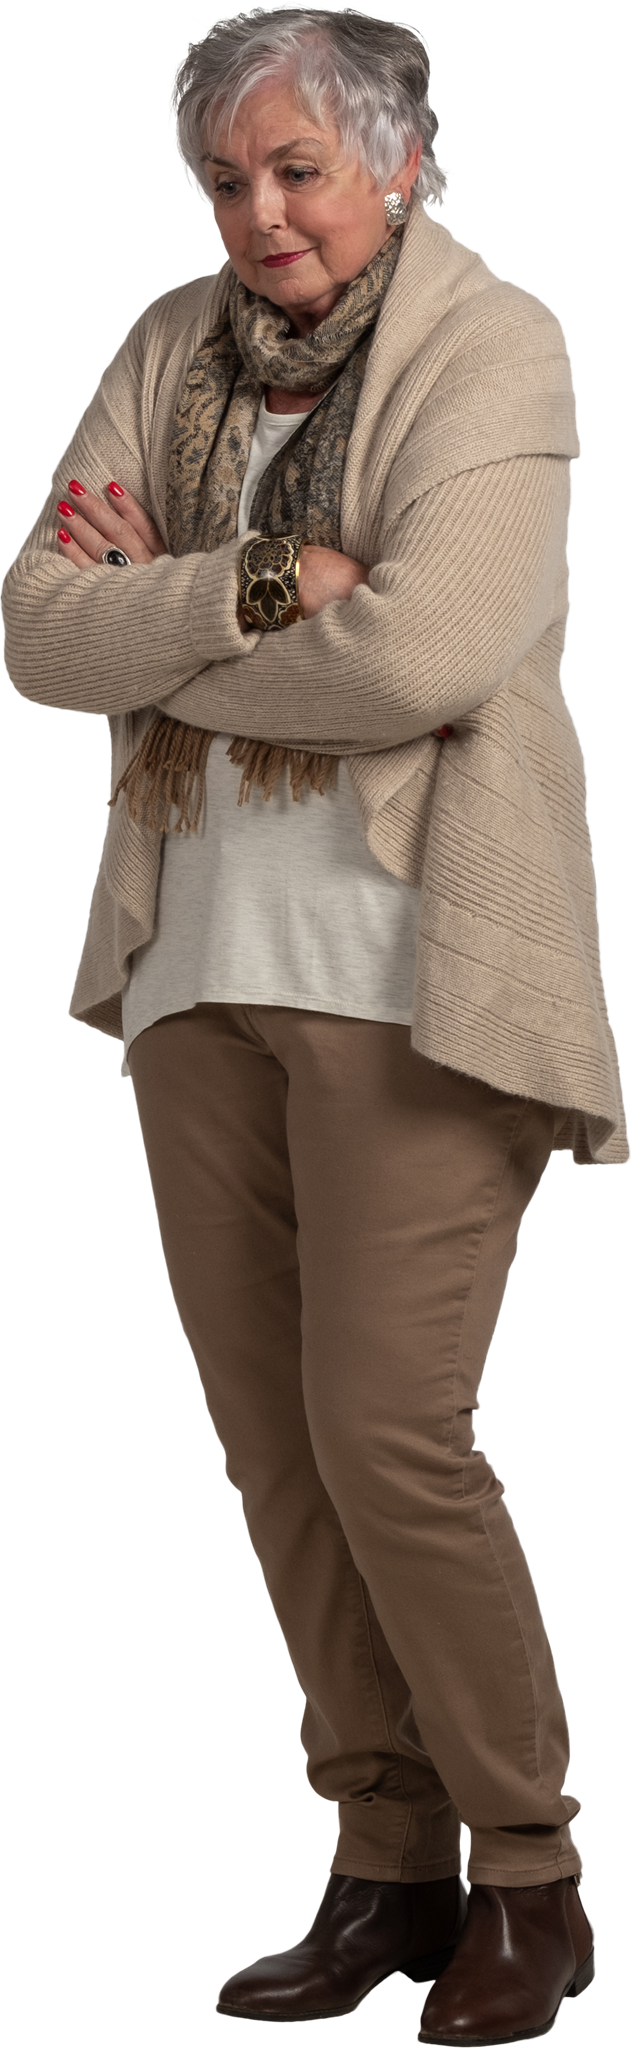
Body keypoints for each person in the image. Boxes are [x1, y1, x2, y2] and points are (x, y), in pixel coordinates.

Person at [2, 8, 625, 2041]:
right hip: (195, 964)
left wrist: (168, 619)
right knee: (276, 1454)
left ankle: (528, 1873)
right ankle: (382, 1857)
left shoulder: (494, 343)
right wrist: (274, 580)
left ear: (401, 161)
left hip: (406, 970)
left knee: (385, 1431)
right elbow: (34, 630)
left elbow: (427, 654)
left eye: (298, 170)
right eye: (226, 181)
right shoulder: (165, 347)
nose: (260, 216)